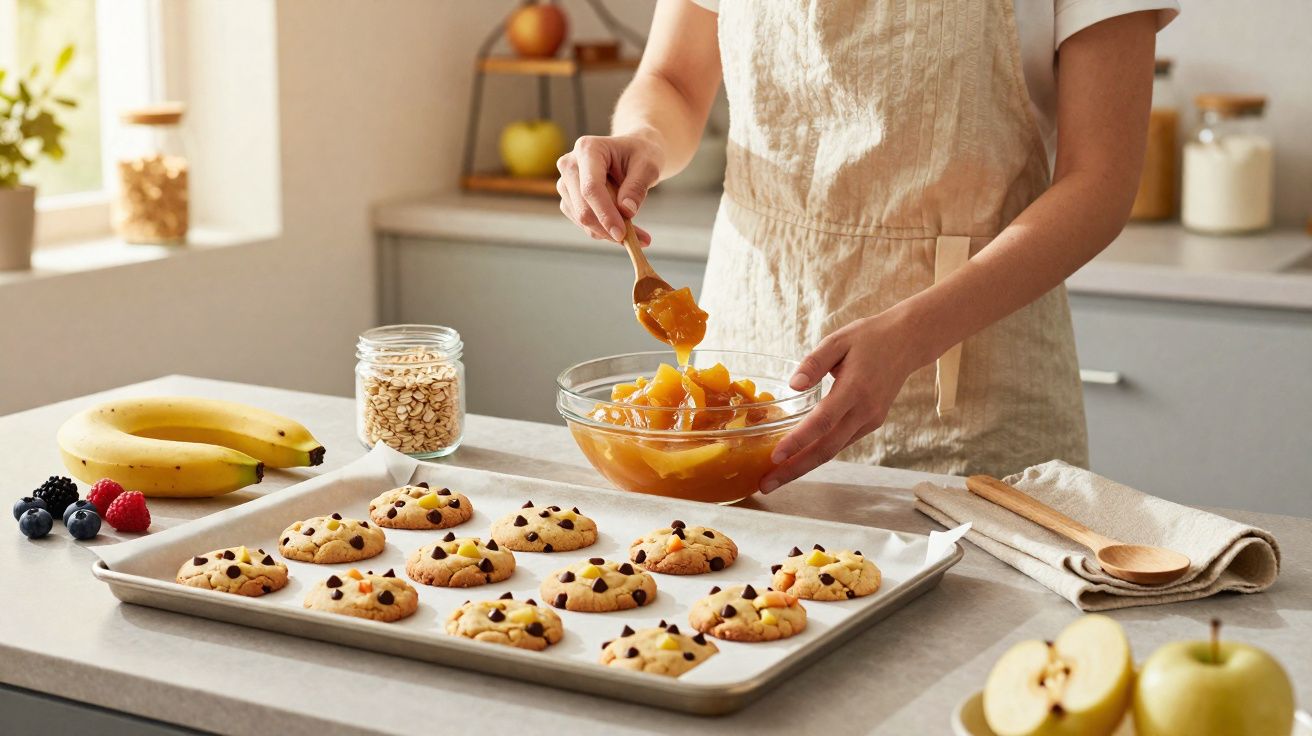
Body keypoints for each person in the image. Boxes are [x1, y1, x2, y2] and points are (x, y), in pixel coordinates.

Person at [555, 0, 1179, 492]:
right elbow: (673, 81)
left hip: (969, 380)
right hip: (751, 351)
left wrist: (913, 333)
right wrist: (642, 140)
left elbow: (1100, 182)